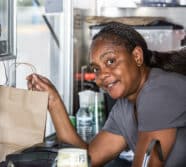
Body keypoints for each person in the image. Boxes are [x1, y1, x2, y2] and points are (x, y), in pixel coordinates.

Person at [26, 22, 186, 167]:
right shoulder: (125, 107)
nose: (102, 75)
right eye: (96, 69)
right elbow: (88, 159)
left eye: (110, 61)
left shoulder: (159, 90)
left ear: (137, 56)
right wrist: (53, 102)